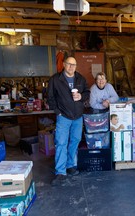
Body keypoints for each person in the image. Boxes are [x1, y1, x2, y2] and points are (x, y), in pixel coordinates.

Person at [47, 56, 90, 186]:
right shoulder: (55, 79)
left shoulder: (80, 79)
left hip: (77, 116)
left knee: (75, 140)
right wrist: (58, 112)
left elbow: (87, 92)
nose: (71, 67)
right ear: (64, 65)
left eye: (74, 65)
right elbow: (50, 97)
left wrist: (81, 96)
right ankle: (60, 171)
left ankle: (71, 165)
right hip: (63, 116)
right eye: (69, 64)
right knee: (61, 142)